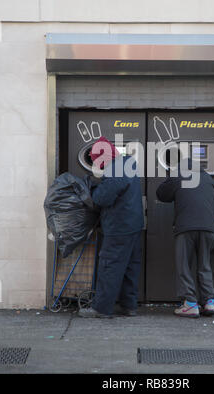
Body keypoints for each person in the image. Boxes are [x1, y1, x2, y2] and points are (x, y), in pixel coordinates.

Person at [79, 136, 144, 319]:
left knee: (110, 266)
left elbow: (102, 198)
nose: (97, 165)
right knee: (130, 267)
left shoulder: (116, 170)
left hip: (119, 227)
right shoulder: (128, 163)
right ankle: (128, 306)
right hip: (134, 225)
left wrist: (93, 189)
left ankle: (101, 308)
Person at [156, 158, 214, 318]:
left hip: (186, 228)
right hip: (209, 229)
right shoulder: (210, 179)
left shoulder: (180, 177)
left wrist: (172, 176)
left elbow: (161, 194)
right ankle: (209, 301)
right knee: (204, 265)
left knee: (184, 266)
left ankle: (189, 303)